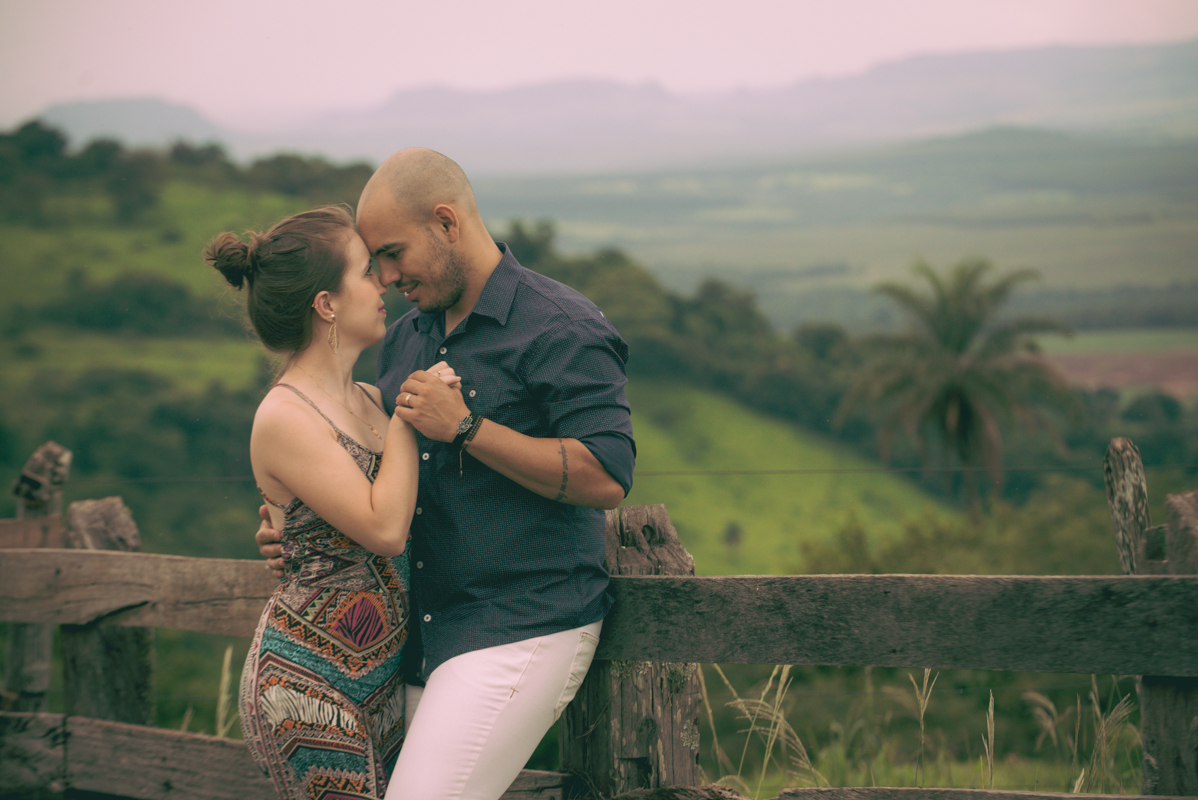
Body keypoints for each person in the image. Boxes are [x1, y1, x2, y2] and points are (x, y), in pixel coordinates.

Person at [256, 148, 636, 800]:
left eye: (395, 253)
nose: (385, 276)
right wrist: (302, 525)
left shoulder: (561, 325)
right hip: (418, 640)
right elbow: (376, 482)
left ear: (447, 223)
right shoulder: (406, 339)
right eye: (373, 261)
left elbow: (607, 476)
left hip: (522, 624)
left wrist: (468, 428)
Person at [208, 205, 459, 800]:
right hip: (306, 686)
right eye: (365, 272)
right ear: (326, 304)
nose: (383, 284)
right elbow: (384, 528)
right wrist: (408, 421)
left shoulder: (371, 398)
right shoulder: (285, 414)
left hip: (382, 683)